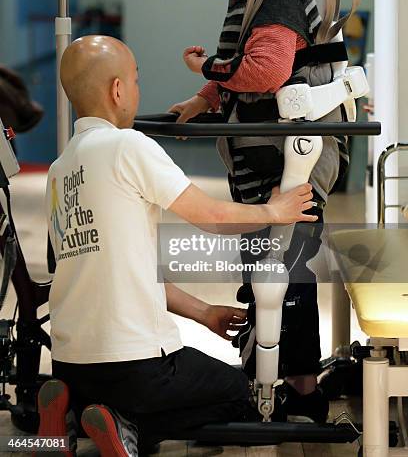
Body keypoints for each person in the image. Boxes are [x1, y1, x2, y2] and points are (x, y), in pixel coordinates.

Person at [41, 35, 316, 456]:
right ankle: (124, 424)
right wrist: (274, 211)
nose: (137, 89)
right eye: (135, 80)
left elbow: (116, 269)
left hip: (69, 363)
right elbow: (210, 216)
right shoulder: (126, 145)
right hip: (135, 367)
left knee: (111, 397)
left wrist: (204, 313)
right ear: (118, 90)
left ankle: (69, 418)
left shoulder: (59, 172)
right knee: (234, 394)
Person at [169, 0, 350, 423]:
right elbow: (248, 68)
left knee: (283, 275)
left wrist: (208, 72)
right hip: (268, 167)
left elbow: (268, 72)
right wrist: (202, 100)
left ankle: (296, 395)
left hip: (290, 167)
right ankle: (287, 386)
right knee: (268, 273)